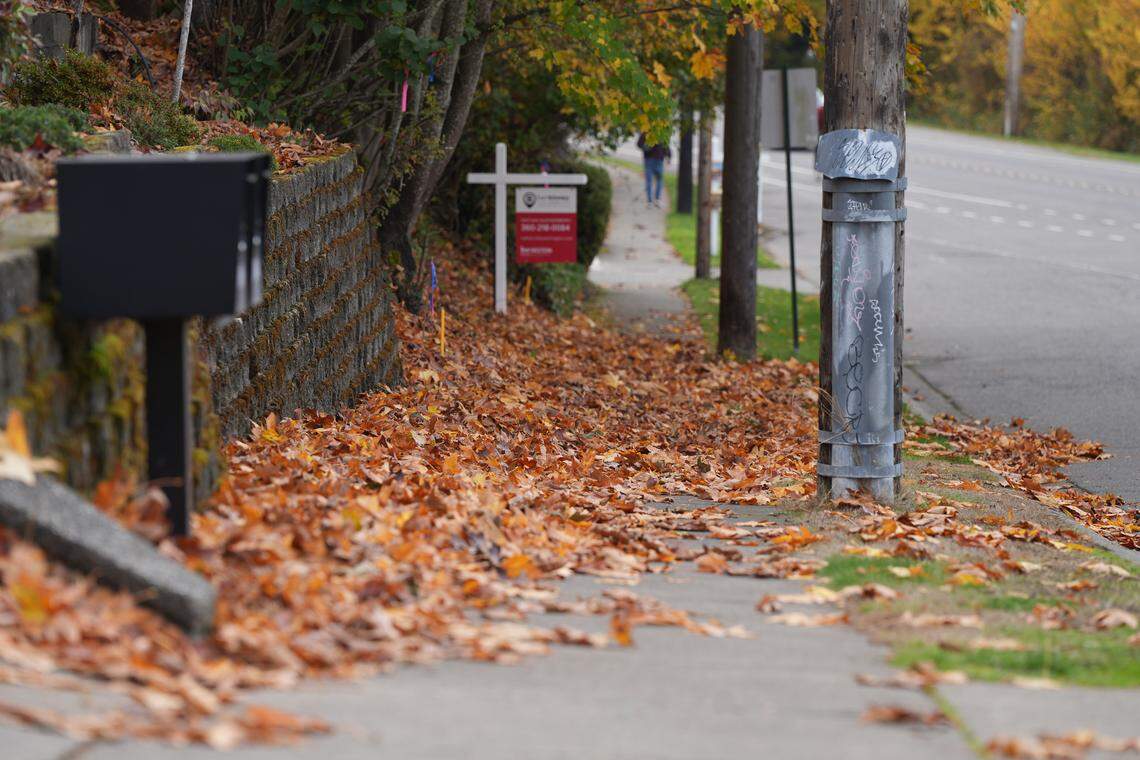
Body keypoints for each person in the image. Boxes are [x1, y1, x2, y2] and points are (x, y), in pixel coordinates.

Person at [636, 133, 670, 208]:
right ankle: (652, 201)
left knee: (657, 180)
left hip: (657, 159)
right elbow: (639, 144)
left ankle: (653, 201)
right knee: (653, 180)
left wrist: (668, 155)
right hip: (651, 159)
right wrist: (646, 147)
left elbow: (666, 144)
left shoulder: (658, 130)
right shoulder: (649, 131)